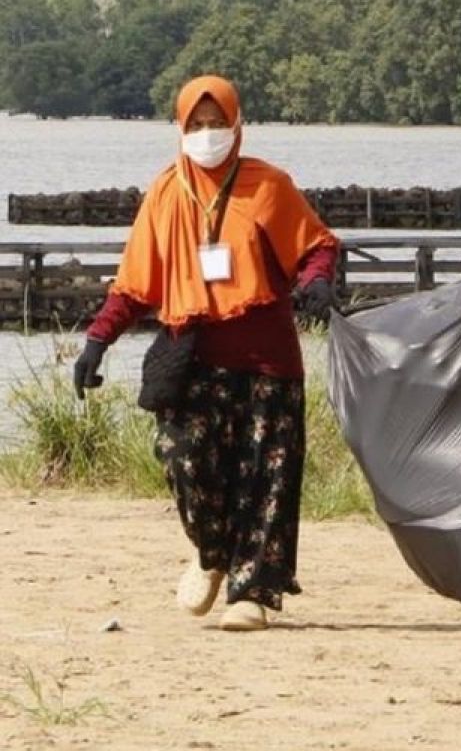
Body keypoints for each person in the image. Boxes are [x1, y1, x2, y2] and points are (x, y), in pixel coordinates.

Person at [74, 75, 339, 631]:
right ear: (180, 128)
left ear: (238, 124)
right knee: (182, 454)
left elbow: (316, 247)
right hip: (190, 355)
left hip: (268, 360)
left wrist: (317, 281)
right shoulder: (166, 191)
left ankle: (252, 593)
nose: (208, 134)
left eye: (218, 124)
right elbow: (134, 285)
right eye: (197, 125)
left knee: (265, 477)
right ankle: (210, 552)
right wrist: (97, 341)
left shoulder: (268, 185)